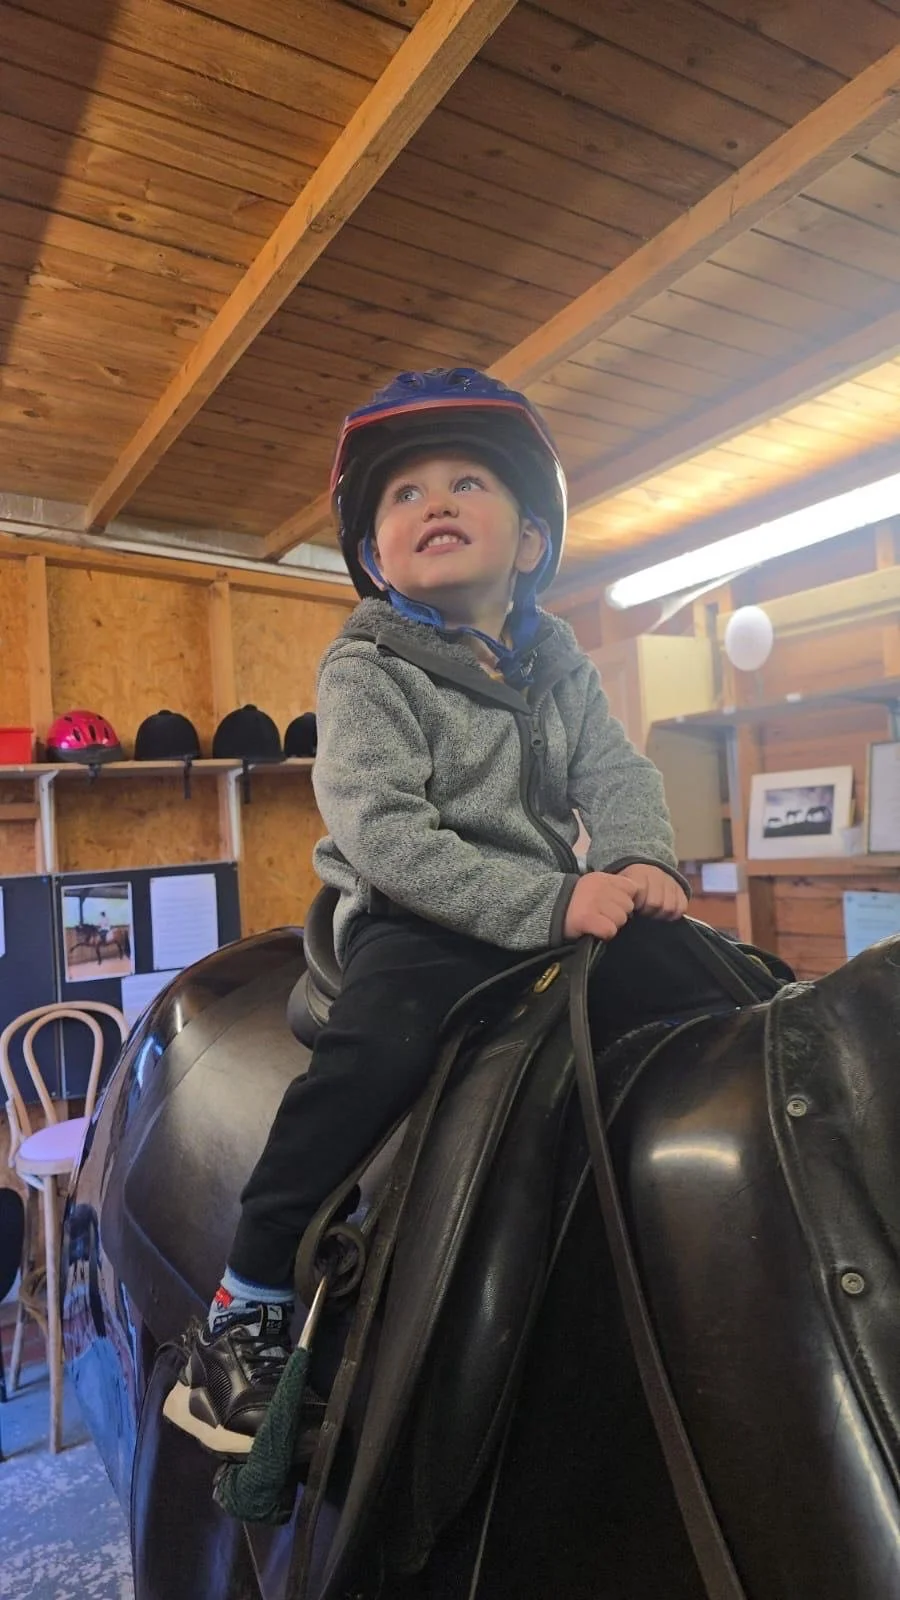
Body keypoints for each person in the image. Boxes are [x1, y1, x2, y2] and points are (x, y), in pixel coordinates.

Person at [164, 368, 736, 1458]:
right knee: (375, 1055)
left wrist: (639, 857)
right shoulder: (366, 665)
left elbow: (613, 772)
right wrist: (556, 897)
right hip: (417, 913)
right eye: (403, 494)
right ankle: (246, 1302)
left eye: (467, 480)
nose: (433, 502)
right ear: (377, 555)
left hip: (557, 898)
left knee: (713, 980)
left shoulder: (556, 658)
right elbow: (389, 836)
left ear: (528, 539)